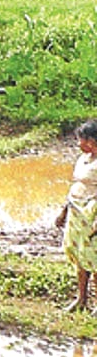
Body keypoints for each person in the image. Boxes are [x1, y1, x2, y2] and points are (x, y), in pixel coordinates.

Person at [55, 120, 97, 312]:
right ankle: (81, 299)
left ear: (91, 140)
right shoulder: (83, 159)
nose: (78, 143)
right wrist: (63, 211)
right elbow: (75, 185)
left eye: (80, 139)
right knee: (80, 257)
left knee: (94, 258)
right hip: (76, 211)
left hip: (92, 213)